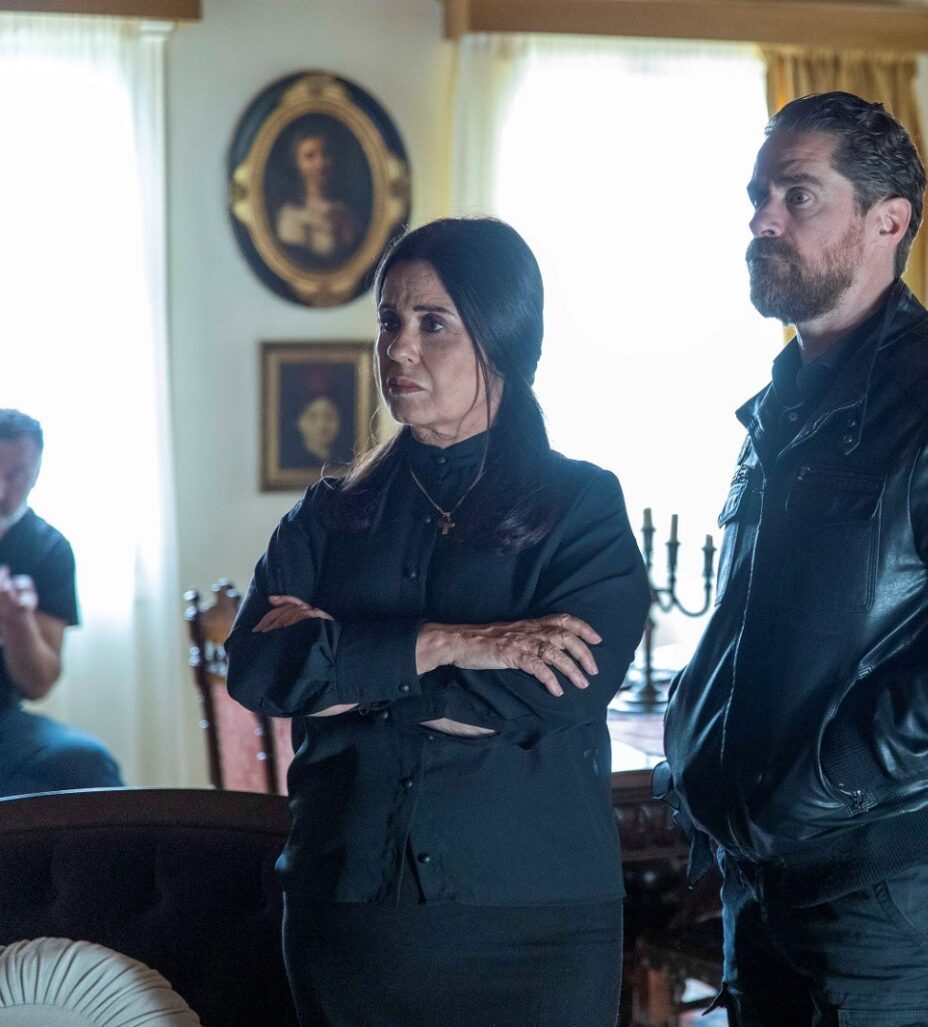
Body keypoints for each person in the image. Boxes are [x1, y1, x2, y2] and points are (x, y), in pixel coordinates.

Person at [657, 93, 928, 1026]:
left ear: (887, 221)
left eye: (797, 195)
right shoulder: (784, 402)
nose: (763, 219)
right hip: (764, 876)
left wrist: (842, 767)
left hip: (889, 891)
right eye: (757, 196)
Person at [226, 218, 651, 1027]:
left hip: (536, 920)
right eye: (389, 320)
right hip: (350, 910)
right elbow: (257, 668)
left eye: (432, 324)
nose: (398, 348)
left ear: (501, 339)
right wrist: (459, 644)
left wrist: (350, 672)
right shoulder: (329, 514)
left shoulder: (583, 506)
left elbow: (560, 689)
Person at [0, 409, 123, 798]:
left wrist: (17, 621)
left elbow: (37, 685)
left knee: (87, 764)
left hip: (4, 719)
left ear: (37, 471)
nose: (1, 491)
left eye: (15, 475)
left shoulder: (48, 548)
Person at [275, 125, 360, 264]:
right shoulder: (291, 215)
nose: (320, 164)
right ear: (297, 164)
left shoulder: (345, 210)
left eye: (325, 154)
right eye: (310, 156)